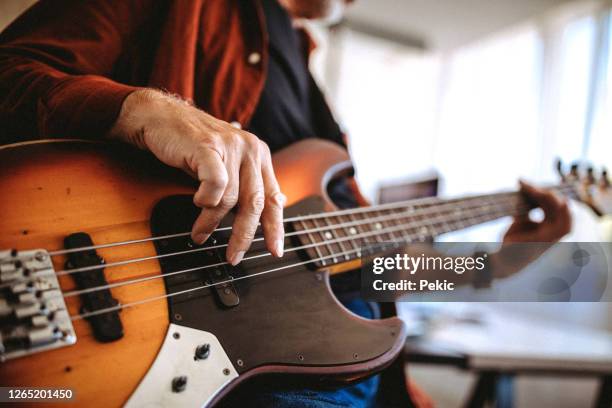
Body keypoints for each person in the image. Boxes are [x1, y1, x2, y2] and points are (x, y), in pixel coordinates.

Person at [0, 0, 571, 406]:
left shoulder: (306, 80)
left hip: (317, 358)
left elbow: (365, 260)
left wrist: (498, 266)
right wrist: (147, 109)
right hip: (210, 357)